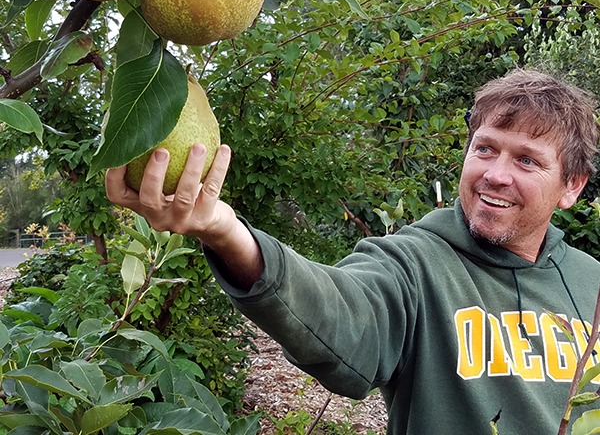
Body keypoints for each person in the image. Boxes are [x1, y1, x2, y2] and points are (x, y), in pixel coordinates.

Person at [106, 68, 600, 434]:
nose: (494, 173)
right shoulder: (415, 264)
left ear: (571, 186)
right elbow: (344, 315)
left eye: (527, 161)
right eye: (485, 148)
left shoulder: (590, 283)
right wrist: (225, 231)